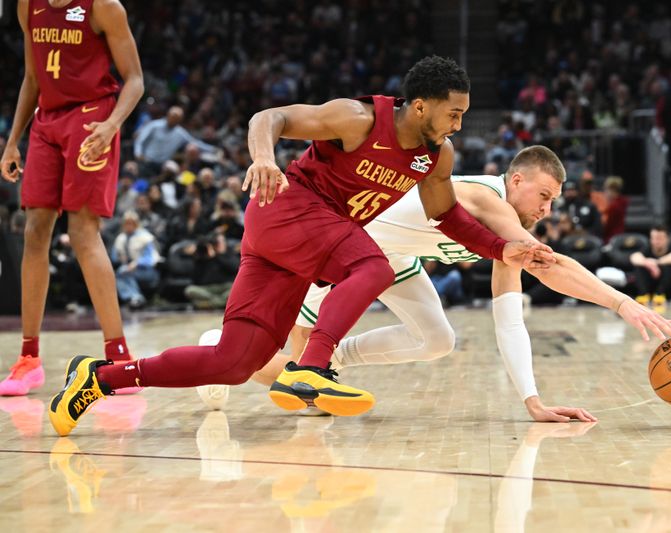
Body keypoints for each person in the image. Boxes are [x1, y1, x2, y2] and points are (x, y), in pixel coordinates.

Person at [48, 56, 551, 436]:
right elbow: (270, 118)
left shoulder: (435, 156)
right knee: (373, 267)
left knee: (234, 361)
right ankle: (312, 369)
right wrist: (264, 158)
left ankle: (101, 377)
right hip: (286, 210)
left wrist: (499, 250)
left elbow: (446, 216)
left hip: (306, 244)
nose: (459, 124)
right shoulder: (356, 118)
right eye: (454, 113)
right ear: (420, 106)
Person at [201, 146, 671, 422]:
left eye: (554, 201)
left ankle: (336, 360)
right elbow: (549, 266)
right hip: (335, 245)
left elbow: (509, 321)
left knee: (436, 339)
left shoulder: (507, 236)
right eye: (544, 196)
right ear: (515, 180)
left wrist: (532, 402)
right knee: (284, 378)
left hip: (390, 258)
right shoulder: (484, 198)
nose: (547, 210)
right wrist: (622, 304)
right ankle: (214, 352)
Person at [0, 0, 144, 396]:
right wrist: (13, 142)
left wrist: (112, 125)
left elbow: (135, 80)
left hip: (92, 117)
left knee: (82, 232)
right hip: (46, 123)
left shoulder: (104, 7)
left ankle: (119, 357)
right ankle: (28, 359)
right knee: (34, 231)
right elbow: (32, 78)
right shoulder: (28, 6)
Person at [629, 225, 671, 306]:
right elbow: (634, 257)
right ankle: (643, 295)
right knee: (639, 268)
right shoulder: (647, 249)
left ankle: (660, 294)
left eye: (660, 238)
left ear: (667, 239)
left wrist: (656, 262)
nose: (656, 241)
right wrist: (648, 264)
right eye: (654, 238)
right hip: (650, 287)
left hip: (668, 291)